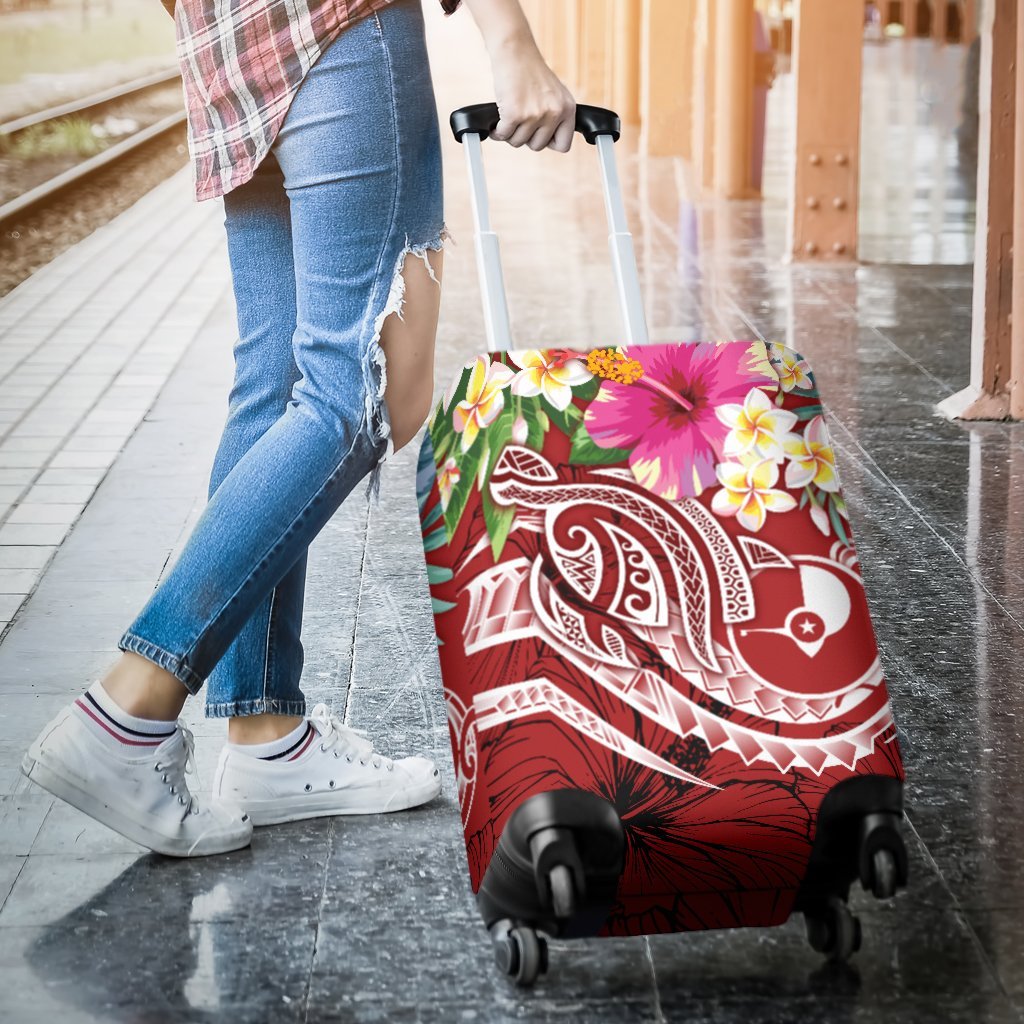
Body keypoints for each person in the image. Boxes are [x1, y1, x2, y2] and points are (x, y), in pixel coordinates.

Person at [21, 0, 576, 857]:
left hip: (227, 49)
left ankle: (266, 735)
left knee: (277, 385)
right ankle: (128, 708)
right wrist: (512, 42)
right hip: (342, 28)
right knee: (361, 392)